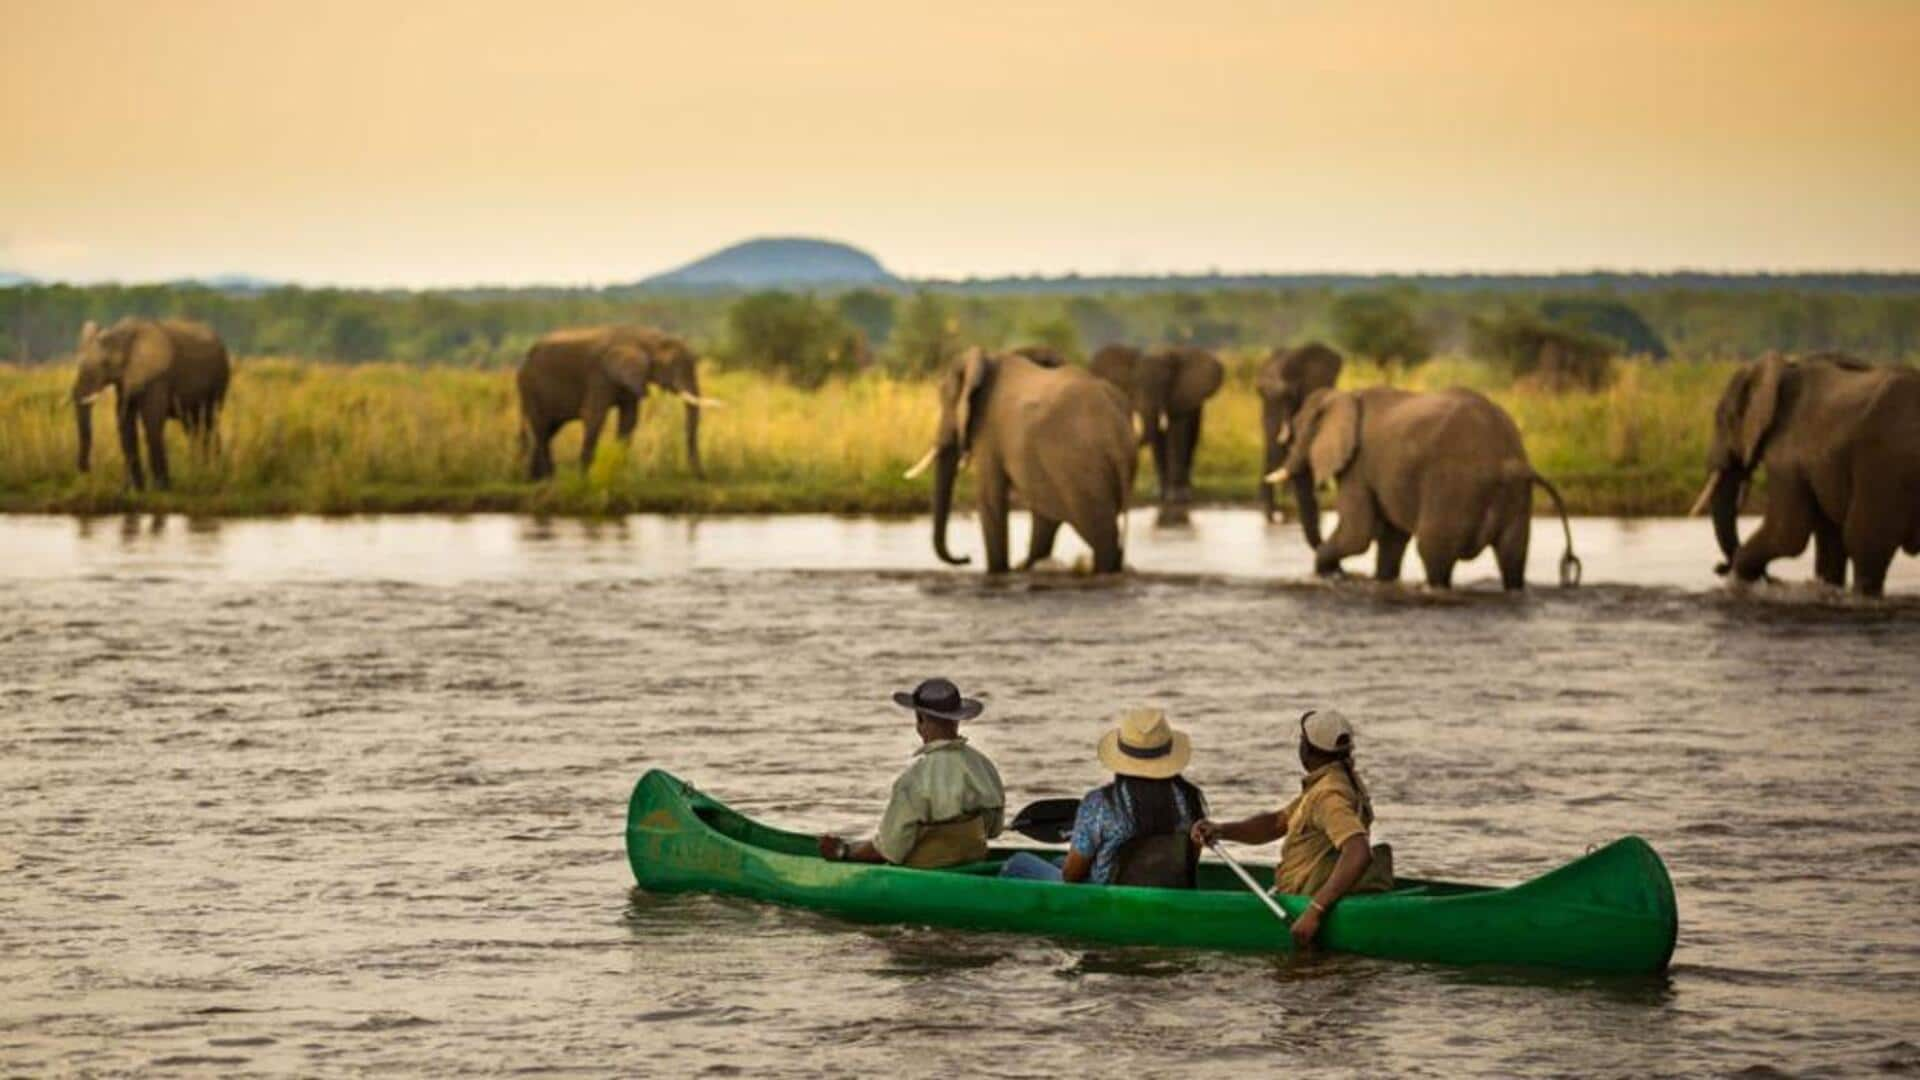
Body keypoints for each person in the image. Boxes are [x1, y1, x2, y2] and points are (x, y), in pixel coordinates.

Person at [1191, 708, 1393, 948]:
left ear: (1307, 750)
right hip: (1311, 887)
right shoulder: (1336, 779)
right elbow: (1277, 823)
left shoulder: (1328, 795)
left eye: (1301, 740)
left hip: (1304, 900)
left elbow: (1358, 851)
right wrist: (1222, 830)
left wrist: (1314, 912)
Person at [999, 708, 1207, 887]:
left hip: (1106, 895)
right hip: (1166, 887)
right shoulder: (1191, 799)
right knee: (1056, 860)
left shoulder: (1099, 804)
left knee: (1017, 863)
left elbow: (1071, 876)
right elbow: (1191, 860)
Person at [817, 678, 1006, 869]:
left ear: (920, 720)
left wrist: (844, 851)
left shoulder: (913, 780)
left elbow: (890, 850)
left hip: (928, 874)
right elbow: (994, 830)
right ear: (957, 719)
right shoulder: (984, 766)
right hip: (972, 865)